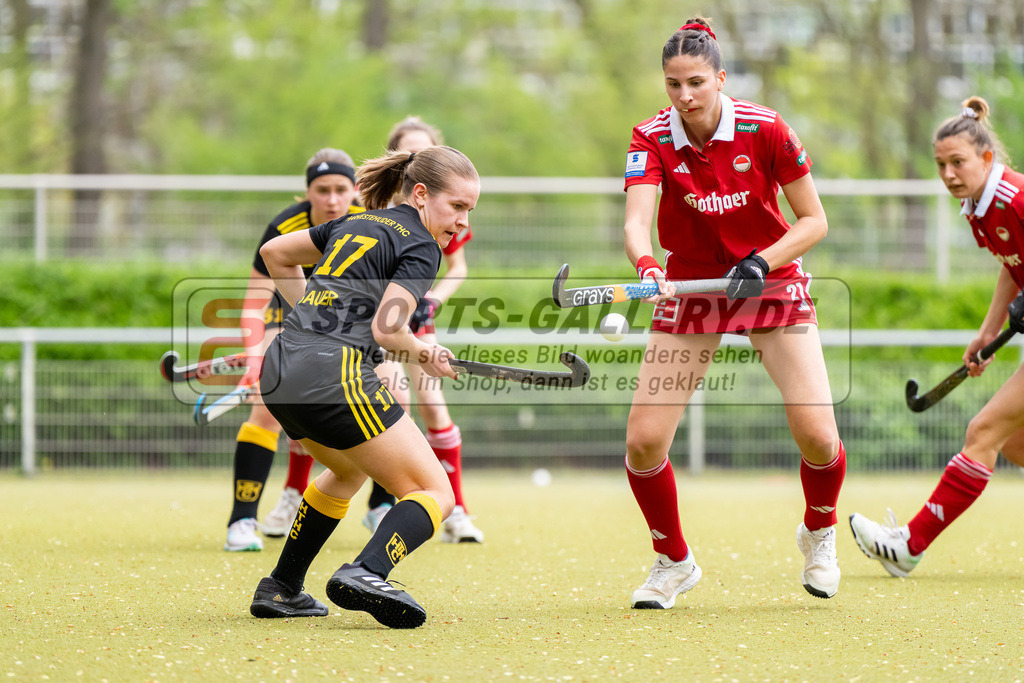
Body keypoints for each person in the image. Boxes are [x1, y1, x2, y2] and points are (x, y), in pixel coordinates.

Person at [620, 17, 846, 608]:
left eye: (696, 82)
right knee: (644, 442)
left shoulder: (766, 129)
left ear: (720, 78)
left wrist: (760, 264)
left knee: (819, 435)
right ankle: (673, 561)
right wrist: (648, 266)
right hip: (692, 284)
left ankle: (819, 533)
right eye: (673, 84)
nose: (685, 96)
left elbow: (814, 221)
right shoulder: (649, 138)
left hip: (768, 280)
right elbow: (636, 222)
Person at [248, 144, 480, 628]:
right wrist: (425, 353)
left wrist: (311, 312)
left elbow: (274, 254)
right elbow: (388, 330)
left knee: (348, 471)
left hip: (281, 368)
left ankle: (282, 587)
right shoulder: (421, 246)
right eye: (456, 206)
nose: (461, 220)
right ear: (420, 194)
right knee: (435, 491)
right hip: (334, 375)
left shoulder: (354, 223)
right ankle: (369, 571)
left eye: (469, 210)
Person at [849, 97, 1024, 577]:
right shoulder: (978, 208)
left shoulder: (1017, 198)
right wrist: (987, 332)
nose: (948, 174)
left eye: (958, 162)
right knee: (1014, 444)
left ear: (987, 159)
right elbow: (1013, 268)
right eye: (940, 164)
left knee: (984, 432)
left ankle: (909, 544)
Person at [223, 148, 361, 552]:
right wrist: (253, 356)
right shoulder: (284, 226)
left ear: (354, 190)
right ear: (307, 192)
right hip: (288, 316)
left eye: (341, 189)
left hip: (348, 323)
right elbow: (255, 303)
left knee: (394, 392)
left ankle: (382, 504)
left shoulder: (368, 222)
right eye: (322, 190)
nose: (332, 199)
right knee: (266, 405)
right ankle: (241, 521)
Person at [364, 116, 484, 544]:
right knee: (394, 402)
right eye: (410, 150)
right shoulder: (377, 210)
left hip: (418, 314)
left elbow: (458, 268)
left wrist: (431, 299)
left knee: (433, 407)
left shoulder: (448, 211)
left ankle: (457, 510)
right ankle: (389, 504)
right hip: (379, 321)